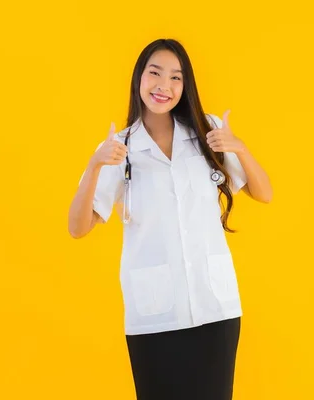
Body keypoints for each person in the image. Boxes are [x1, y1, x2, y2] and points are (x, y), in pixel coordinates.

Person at [68, 38, 272, 400]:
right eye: (155, 73)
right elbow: (77, 227)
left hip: (215, 308)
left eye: (176, 77)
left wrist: (239, 147)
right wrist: (95, 163)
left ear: (185, 84)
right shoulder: (119, 147)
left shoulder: (207, 131)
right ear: (139, 78)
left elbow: (263, 193)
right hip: (154, 313)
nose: (164, 85)